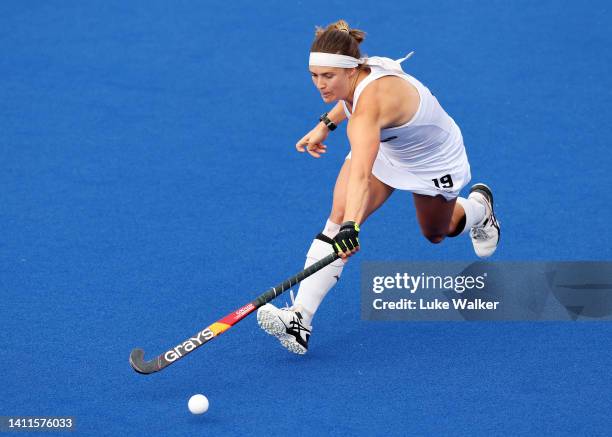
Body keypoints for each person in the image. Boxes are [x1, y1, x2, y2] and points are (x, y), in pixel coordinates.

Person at [257, 19, 500, 354]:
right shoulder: (358, 77)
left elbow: (360, 172)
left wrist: (352, 228)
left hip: (433, 159)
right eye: (315, 76)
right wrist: (326, 124)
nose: (320, 85)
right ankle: (300, 319)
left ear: (351, 69)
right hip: (387, 147)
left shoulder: (370, 108)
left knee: (436, 232)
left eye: (328, 76)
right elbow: (347, 99)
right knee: (336, 217)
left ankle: (480, 210)